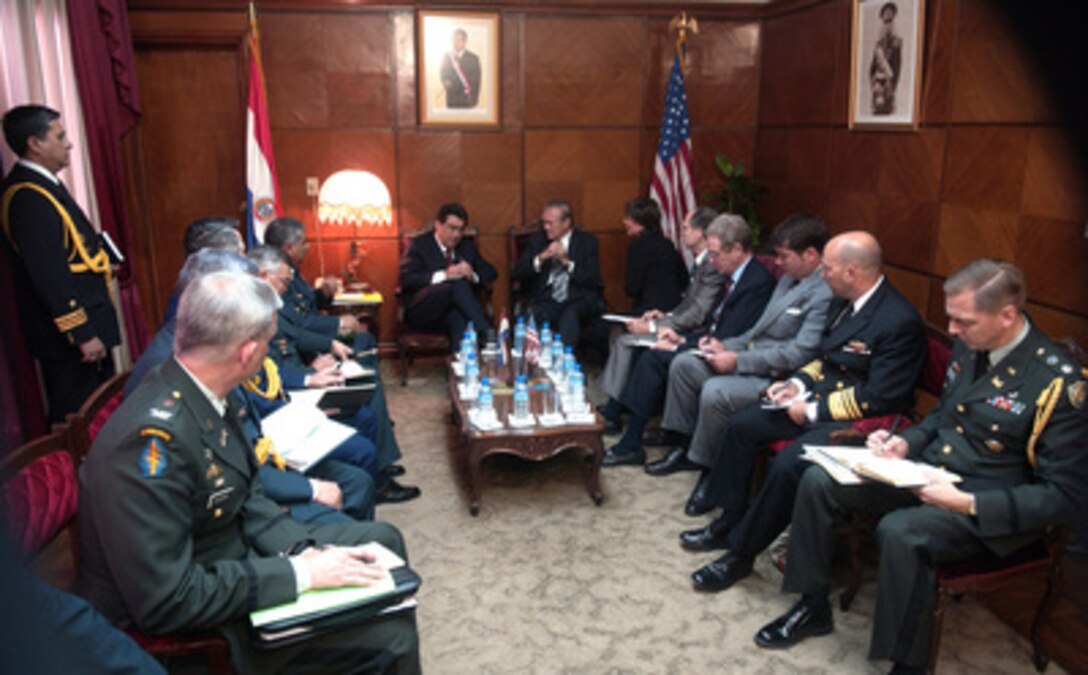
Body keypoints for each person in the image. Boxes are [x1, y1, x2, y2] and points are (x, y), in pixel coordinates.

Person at [79, 269, 420, 673]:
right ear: (246, 353)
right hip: (201, 623)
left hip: (231, 553)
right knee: (392, 636)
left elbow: (247, 495)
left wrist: (298, 548)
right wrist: (300, 574)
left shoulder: (202, 389)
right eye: (268, 345)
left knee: (383, 541)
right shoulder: (149, 442)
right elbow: (167, 600)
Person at [758, 259, 1088, 675]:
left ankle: (908, 666)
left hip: (986, 503)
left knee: (901, 531)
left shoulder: (1058, 383)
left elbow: (1066, 497)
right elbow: (943, 417)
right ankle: (812, 604)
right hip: (929, 472)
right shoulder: (972, 347)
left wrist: (966, 502)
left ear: (1007, 315)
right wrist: (904, 442)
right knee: (819, 479)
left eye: (962, 321)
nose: (951, 331)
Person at [682, 231, 926, 596]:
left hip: (858, 422)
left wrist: (811, 408)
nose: (821, 275)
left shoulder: (898, 320)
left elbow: (881, 397)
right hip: (815, 401)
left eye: (827, 268)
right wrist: (796, 385)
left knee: (788, 467)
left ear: (852, 272)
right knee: (740, 426)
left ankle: (740, 553)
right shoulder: (842, 301)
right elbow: (824, 359)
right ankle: (728, 520)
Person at [127, 249, 379, 524]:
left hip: (257, 463)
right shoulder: (180, 363)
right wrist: (305, 494)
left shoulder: (205, 345)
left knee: (358, 483)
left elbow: (244, 414)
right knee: (361, 507)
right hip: (234, 505)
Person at [647, 214, 833, 486]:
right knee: (684, 363)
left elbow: (800, 354)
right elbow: (757, 332)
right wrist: (723, 345)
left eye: (783, 256)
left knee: (715, 391)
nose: (777, 263)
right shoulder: (787, 280)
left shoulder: (823, 293)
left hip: (777, 376)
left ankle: (708, 471)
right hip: (750, 355)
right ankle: (682, 444)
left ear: (810, 255)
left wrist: (737, 360)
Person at [601, 214, 776, 467]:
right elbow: (711, 323)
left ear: (737, 249)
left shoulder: (757, 282)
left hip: (728, 355)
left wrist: (682, 344)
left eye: (715, 255)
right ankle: (638, 434)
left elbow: (730, 335)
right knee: (648, 352)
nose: (712, 262)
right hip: (707, 342)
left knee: (653, 358)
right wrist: (681, 337)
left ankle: (632, 444)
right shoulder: (733, 275)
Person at [1, 104, 120, 423]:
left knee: (102, 412)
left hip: (90, 321)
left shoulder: (45, 185)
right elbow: (48, 273)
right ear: (34, 143)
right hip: (69, 339)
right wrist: (81, 332)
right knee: (79, 417)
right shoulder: (28, 196)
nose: (68, 143)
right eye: (60, 135)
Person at [596, 206, 724, 421]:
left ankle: (615, 410)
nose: (681, 232)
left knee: (627, 341)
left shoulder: (711, 265)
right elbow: (687, 303)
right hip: (677, 322)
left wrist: (656, 327)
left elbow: (698, 313)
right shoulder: (699, 261)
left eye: (685, 228)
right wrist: (664, 315)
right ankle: (616, 407)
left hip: (694, 334)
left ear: (700, 232)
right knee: (623, 336)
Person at [398, 202, 496, 344]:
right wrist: (444, 275)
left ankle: (460, 361)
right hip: (422, 311)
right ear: (438, 225)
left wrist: (472, 274)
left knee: (457, 318)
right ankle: (487, 333)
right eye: (452, 228)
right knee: (456, 281)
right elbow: (407, 279)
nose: (456, 235)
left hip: (451, 311)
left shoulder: (466, 246)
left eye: (461, 230)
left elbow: (491, 272)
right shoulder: (419, 245)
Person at [511, 199, 603, 349]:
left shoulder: (587, 242)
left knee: (570, 315)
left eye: (550, 223)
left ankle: (563, 363)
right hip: (546, 298)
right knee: (532, 314)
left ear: (566, 223)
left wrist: (567, 263)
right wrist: (541, 257)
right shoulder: (537, 240)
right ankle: (535, 362)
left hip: (576, 298)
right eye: (544, 223)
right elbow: (518, 272)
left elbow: (593, 280)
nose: (546, 227)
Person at [621, 197, 687, 315]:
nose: (624, 222)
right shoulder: (667, 244)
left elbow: (632, 288)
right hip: (674, 309)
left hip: (648, 311)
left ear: (639, 222)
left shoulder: (637, 247)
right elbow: (684, 280)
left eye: (628, 218)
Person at [870, 2, 902, 115]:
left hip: (889, 77)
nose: (888, 15)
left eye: (890, 13)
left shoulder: (896, 40)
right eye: (886, 12)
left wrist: (892, 81)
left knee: (887, 105)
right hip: (878, 77)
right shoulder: (878, 42)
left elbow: (897, 64)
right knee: (877, 105)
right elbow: (873, 65)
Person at [440, 28, 481, 109]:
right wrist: (446, 81)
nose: (456, 42)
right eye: (454, 40)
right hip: (452, 99)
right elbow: (443, 74)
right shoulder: (447, 57)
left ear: (465, 41)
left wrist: (475, 100)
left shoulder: (473, 58)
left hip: (467, 99)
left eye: (459, 40)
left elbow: (477, 81)